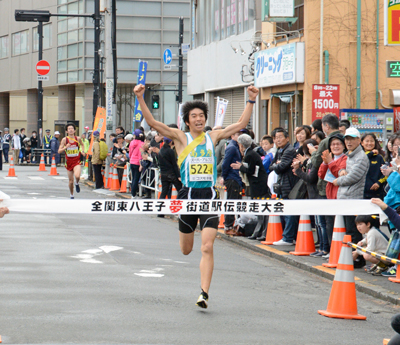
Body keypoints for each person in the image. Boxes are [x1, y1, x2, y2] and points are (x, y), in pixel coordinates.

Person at [133, 83, 259, 309]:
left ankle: (204, 293)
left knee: (207, 247)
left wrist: (250, 100)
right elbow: (153, 123)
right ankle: (189, 245)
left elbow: (240, 124)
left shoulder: (213, 136)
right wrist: (141, 98)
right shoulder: (180, 137)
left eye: (202, 115)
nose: (199, 119)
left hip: (209, 197)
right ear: (187, 120)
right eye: (195, 116)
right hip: (187, 196)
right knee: (186, 249)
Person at [333, 127, 369, 250]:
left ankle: (357, 259)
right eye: (347, 139)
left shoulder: (361, 156)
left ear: (359, 140)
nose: (349, 142)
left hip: (353, 198)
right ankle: (350, 257)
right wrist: (342, 171)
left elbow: (353, 177)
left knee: (353, 231)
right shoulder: (350, 155)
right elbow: (345, 172)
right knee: (347, 231)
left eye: (352, 139)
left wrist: (338, 181)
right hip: (345, 198)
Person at [231, 133, 270, 240]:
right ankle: (258, 232)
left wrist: (240, 167)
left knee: (262, 210)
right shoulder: (251, 153)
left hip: (259, 185)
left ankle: (261, 233)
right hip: (258, 184)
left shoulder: (250, 155)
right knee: (260, 210)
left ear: (242, 145)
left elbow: (250, 170)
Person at [268, 128, 299, 246]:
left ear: (287, 138)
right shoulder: (280, 151)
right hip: (283, 184)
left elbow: (281, 167)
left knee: (289, 212)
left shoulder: (289, 150)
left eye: (280, 137)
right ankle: (288, 236)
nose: (278, 140)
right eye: (276, 138)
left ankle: (288, 238)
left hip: (289, 185)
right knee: (285, 211)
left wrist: (277, 165)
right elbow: (271, 166)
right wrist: (277, 165)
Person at [318, 133, 347, 247]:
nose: (335, 146)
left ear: (343, 146)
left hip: (340, 195)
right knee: (329, 224)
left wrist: (330, 162)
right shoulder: (330, 157)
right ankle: (332, 250)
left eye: (338, 144)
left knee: (339, 224)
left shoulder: (345, 159)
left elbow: (339, 174)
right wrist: (325, 162)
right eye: (333, 144)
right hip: (329, 194)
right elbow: (321, 174)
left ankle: (339, 250)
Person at [220, 130, 243, 234]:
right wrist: (223, 176)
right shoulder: (232, 147)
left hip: (235, 177)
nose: (239, 136)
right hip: (232, 177)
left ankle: (231, 225)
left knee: (234, 201)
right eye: (237, 134)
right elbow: (225, 163)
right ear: (232, 135)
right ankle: (228, 226)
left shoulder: (236, 147)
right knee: (231, 202)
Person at [58, 123, 85, 199]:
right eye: (69, 129)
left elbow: (82, 144)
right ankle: (72, 195)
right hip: (69, 162)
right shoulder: (64, 140)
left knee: (77, 175)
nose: (70, 130)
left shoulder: (78, 138)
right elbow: (59, 151)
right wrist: (65, 147)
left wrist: (83, 151)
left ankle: (77, 183)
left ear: (74, 130)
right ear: (67, 131)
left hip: (76, 161)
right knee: (70, 181)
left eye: (72, 128)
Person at [361, 133, 386, 200]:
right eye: (367, 141)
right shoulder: (360, 156)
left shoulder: (379, 157)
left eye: (372, 141)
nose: (369, 143)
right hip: (362, 193)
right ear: (362, 143)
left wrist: (378, 183)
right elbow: (362, 161)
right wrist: (371, 153)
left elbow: (386, 173)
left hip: (377, 193)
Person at [129, 129, 145, 198]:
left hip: (132, 161)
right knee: (136, 178)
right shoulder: (142, 144)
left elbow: (130, 153)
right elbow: (140, 155)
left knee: (133, 178)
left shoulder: (132, 142)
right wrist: (141, 164)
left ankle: (133, 193)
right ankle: (133, 194)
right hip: (138, 163)